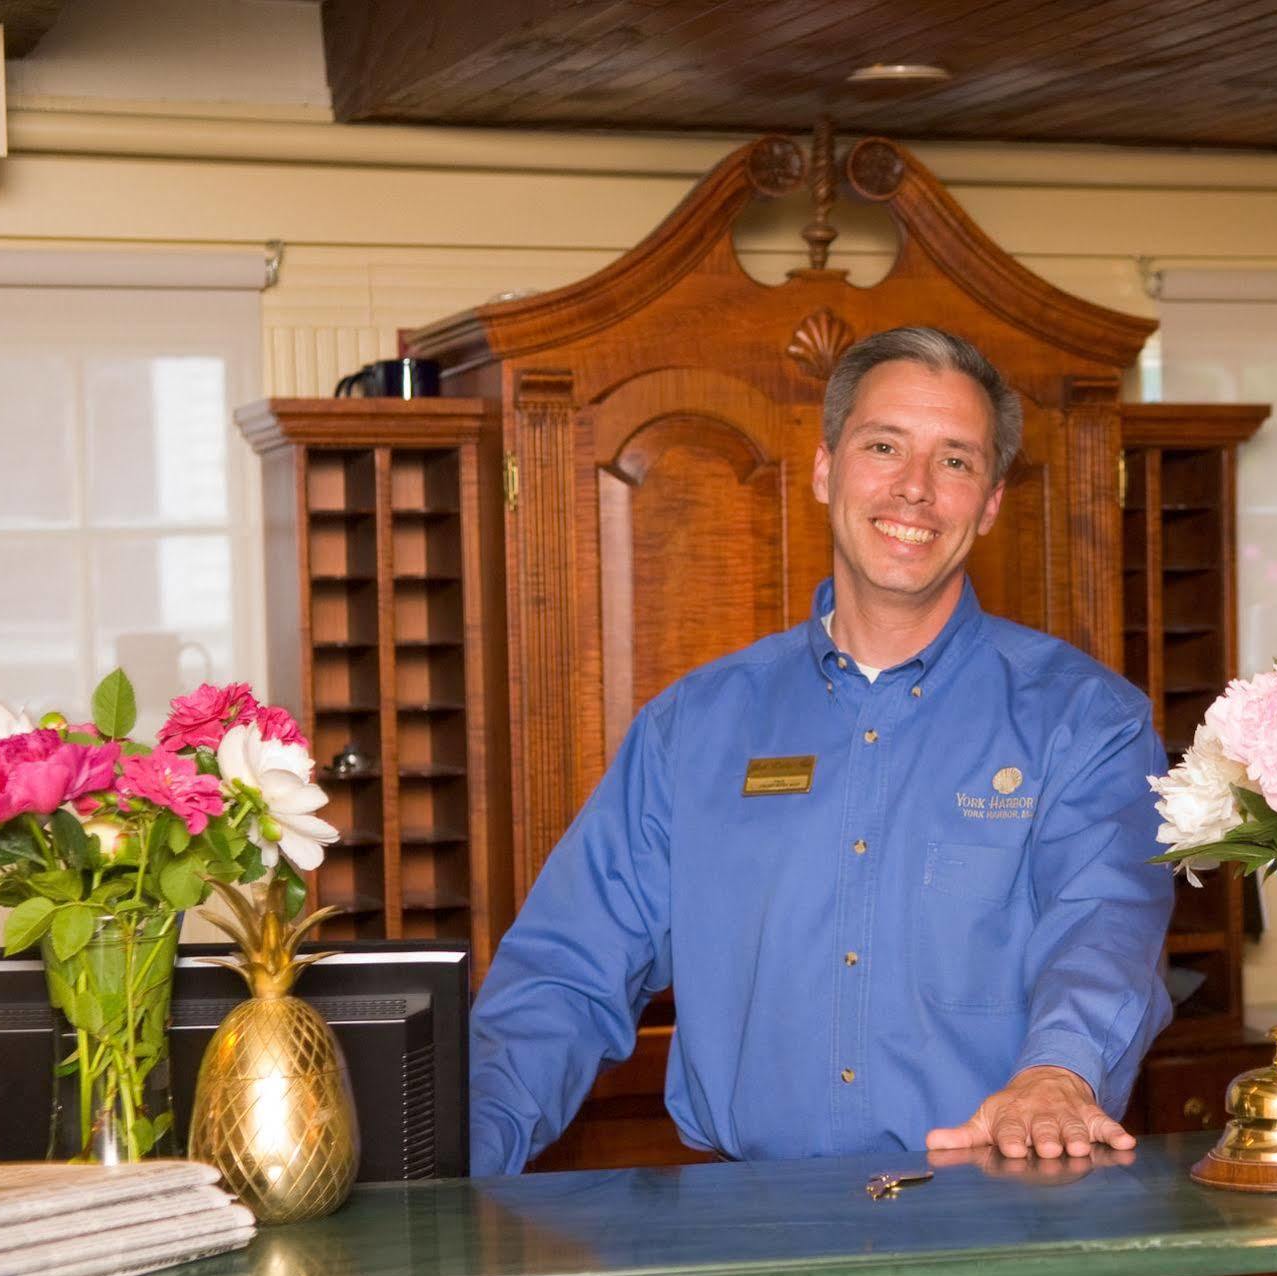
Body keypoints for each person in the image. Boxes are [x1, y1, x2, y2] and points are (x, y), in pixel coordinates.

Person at [469, 326, 1174, 1173]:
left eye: (955, 461)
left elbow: (1103, 930)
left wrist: (1057, 1075)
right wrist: (442, 1167)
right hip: (746, 1230)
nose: (913, 489)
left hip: (998, 1217)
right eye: (883, 447)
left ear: (988, 503)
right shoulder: (691, 726)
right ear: (824, 469)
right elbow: (564, 974)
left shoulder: (1088, 723)